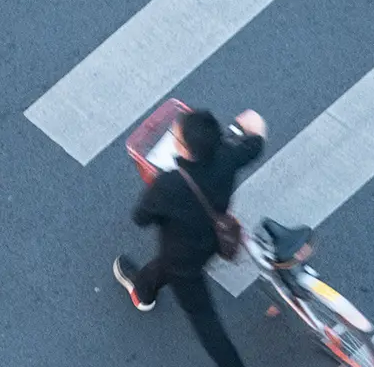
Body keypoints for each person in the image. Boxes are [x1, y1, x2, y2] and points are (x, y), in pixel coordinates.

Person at [114, 107, 267, 367]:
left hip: (183, 259)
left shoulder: (170, 184)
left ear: (186, 150)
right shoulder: (227, 156)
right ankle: (143, 289)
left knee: (205, 320)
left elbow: (141, 217)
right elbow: (256, 143)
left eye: (177, 135)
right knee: (164, 267)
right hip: (214, 240)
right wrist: (255, 124)